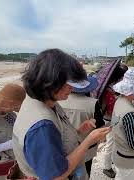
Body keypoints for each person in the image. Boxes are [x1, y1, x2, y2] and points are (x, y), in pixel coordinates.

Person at [12, 49, 111, 180]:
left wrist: (78, 131)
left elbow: (54, 142)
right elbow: (56, 176)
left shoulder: (45, 101)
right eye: (69, 83)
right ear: (50, 81)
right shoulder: (41, 126)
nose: (72, 88)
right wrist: (88, 140)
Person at [59, 76, 104, 177]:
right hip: (86, 147)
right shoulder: (93, 103)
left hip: (65, 146)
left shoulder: (59, 101)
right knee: (85, 171)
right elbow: (99, 125)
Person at [101, 64, 128, 178]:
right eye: (122, 77)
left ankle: (111, 160)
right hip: (110, 119)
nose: (123, 79)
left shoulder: (111, 87)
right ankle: (107, 167)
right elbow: (107, 108)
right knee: (110, 143)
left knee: (114, 141)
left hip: (112, 118)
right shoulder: (109, 91)